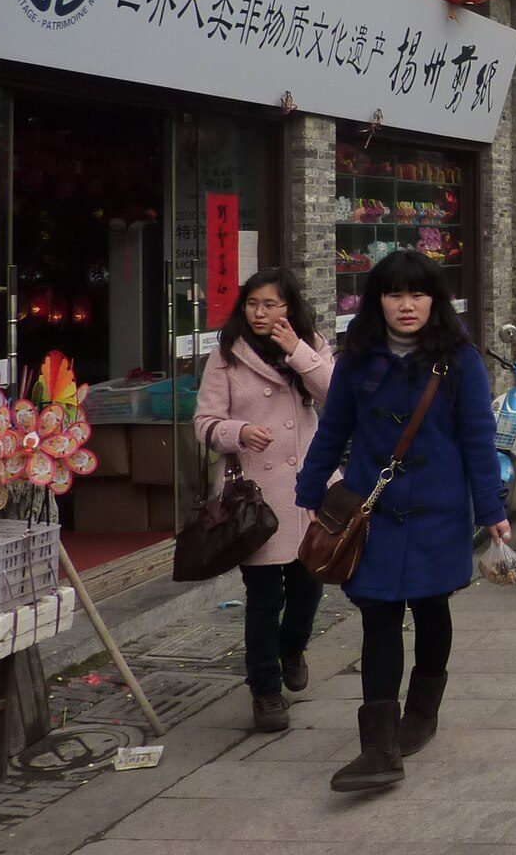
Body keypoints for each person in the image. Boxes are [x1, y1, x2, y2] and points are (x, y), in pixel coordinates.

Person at [296, 250, 509, 793]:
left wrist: (492, 511)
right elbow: (332, 428)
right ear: (378, 301)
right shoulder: (358, 357)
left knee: (432, 608)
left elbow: (479, 440)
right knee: (379, 617)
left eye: (418, 294)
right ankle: (378, 748)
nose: (406, 305)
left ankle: (422, 713)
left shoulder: (458, 358)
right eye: (394, 294)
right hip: (375, 512)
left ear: (435, 300)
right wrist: (309, 489)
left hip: (438, 511)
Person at [192, 268, 333, 733]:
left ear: (288, 307)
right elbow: (205, 421)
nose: (260, 313)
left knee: (309, 585)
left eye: (271, 304)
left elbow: (336, 395)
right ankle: (266, 691)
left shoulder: (311, 342)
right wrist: (238, 432)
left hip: (308, 489)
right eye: (253, 303)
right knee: (263, 597)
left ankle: (293, 647)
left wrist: (297, 351)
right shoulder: (226, 353)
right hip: (255, 496)